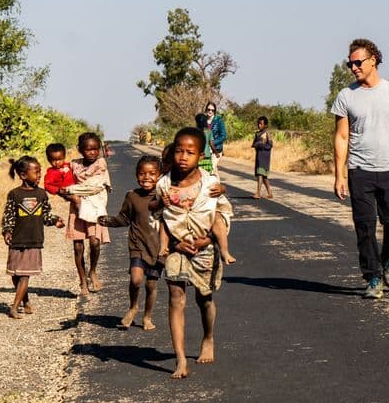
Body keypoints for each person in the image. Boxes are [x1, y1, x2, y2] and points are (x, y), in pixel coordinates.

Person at [331, 38, 389, 300]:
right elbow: (341, 137)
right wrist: (340, 175)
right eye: (350, 64)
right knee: (365, 227)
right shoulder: (346, 96)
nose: (354, 68)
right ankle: (372, 277)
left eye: (358, 62)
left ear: (373, 60)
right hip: (360, 171)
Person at [156, 127, 234, 379]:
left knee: (204, 298)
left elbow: (223, 214)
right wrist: (172, 244)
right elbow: (157, 217)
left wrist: (208, 239)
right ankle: (180, 359)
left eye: (190, 152)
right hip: (177, 249)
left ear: (200, 156)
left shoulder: (210, 184)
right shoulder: (164, 184)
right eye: (179, 150)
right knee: (176, 297)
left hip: (205, 249)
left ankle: (208, 336)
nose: (183, 156)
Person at [98, 155, 164, 331]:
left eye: (152, 173)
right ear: (136, 175)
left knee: (151, 285)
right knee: (135, 280)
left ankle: (147, 316)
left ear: (160, 175)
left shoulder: (164, 197)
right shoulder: (132, 196)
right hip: (138, 245)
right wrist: (109, 221)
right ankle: (133, 307)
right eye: (142, 173)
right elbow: (124, 218)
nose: (146, 177)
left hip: (158, 248)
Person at [1, 155, 64, 319]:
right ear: (23, 175)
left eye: (40, 172)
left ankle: (14, 307)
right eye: (36, 172)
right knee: (15, 274)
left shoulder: (41, 194)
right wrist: (7, 231)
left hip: (33, 240)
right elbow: (8, 216)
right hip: (17, 239)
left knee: (24, 275)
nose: (39, 175)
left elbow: (46, 215)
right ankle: (25, 300)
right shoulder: (14, 194)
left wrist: (55, 220)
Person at [60, 132, 111, 295]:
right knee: (78, 247)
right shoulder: (73, 166)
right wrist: (71, 197)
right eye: (88, 149)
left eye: (96, 149)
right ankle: (82, 282)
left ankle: (93, 270)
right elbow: (62, 185)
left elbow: (97, 186)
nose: (92, 153)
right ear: (80, 150)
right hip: (76, 209)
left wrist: (74, 192)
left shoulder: (101, 165)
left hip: (95, 208)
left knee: (95, 242)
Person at [252, 116, 273, 199]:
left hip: (264, 157)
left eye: (261, 124)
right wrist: (256, 145)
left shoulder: (267, 133)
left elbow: (270, 145)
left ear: (265, 125)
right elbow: (254, 144)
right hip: (258, 156)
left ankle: (258, 193)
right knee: (264, 177)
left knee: (260, 175)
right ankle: (270, 193)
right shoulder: (257, 134)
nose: (259, 125)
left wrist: (261, 145)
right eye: (258, 123)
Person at [204, 101, 226, 174]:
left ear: (214, 111)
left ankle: (215, 184)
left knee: (212, 169)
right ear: (206, 109)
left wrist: (212, 142)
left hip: (216, 149)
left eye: (212, 110)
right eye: (209, 109)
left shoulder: (219, 120)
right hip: (205, 149)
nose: (210, 111)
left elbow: (223, 135)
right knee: (208, 170)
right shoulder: (203, 120)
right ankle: (217, 184)